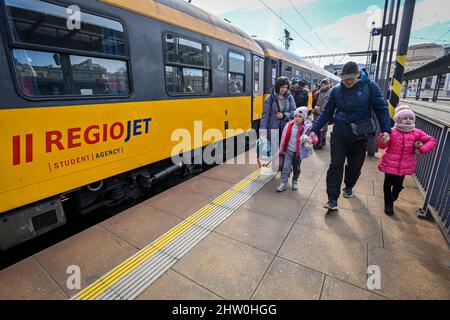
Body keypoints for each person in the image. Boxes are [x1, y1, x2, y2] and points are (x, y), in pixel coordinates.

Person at [309, 61, 392, 211]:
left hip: (360, 135)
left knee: (354, 166)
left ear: (358, 75)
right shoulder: (336, 90)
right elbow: (326, 112)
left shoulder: (370, 87)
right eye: (345, 79)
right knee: (335, 165)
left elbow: (381, 109)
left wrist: (386, 130)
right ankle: (332, 198)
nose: (347, 81)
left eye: (351, 79)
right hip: (340, 133)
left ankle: (349, 185)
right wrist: (314, 130)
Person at [377, 105, 436, 215]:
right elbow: (381, 145)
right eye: (405, 118)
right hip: (389, 163)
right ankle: (388, 204)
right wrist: (383, 140)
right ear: (398, 119)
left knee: (398, 186)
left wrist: (422, 149)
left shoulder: (416, 132)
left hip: (404, 166)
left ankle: (394, 195)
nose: (408, 120)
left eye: (411, 118)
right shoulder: (391, 131)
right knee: (387, 183)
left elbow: (431, 140)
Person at [277, 107, 317, 192]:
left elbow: (314, 137)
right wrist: (281, 149)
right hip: (288, 151)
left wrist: (311, 140)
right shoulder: (289, 125)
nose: (297, 118)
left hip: (298, 153)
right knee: (286, 167)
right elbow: (283, 137)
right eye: (296, 116)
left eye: (300, 116)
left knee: (296, 168)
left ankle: (295, 181)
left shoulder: (307, 128)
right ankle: (283, 183)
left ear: (304, 118)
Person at [260, 76, 296, 145]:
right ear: (278, 86)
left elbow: (294, 112)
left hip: (285, 128)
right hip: (273, 128)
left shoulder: (289, 97)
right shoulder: (270, 98)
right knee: (274, 150)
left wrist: (284, 115)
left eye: (286, 87)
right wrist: (262, 131)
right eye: (282, 87)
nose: (284, 89)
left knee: (283, 149)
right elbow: (265, 116)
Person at [313, 78, 332, 149]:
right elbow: (317, 101)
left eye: (324, 85)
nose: (322, 87)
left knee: (325, 127)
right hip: (318, 111)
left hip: (326, 111)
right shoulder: (319, 91)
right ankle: (318, 141)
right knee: (318, 126)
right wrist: (316, 107)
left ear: (327, 85)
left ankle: (323, 140)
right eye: (322, 85)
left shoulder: (331, 91)